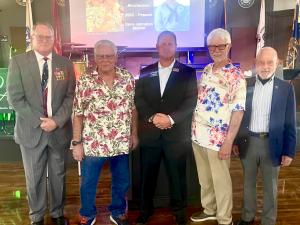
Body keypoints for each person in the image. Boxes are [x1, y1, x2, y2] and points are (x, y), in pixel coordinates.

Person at [6, 23, 75, 225]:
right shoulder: (18, 62)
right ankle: (36, 216)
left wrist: (57, 121)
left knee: (58, 175)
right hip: (31, 130)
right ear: (32, 38)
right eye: (40, 36)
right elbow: (15, 99)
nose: (44, 40)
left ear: (54, 39)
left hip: (58, 130)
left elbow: (71, 97)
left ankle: (57, 213)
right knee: (34, 177)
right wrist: (41, 121)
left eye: (48, 36)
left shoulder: (65, 64)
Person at [134, 31, 197, 225]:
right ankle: (145, 210)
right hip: (150, 134)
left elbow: (190, 101)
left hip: (176, 134)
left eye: (170, 43)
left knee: (177, 177)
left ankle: (179, 211)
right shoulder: (146, 71)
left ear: (176, 46)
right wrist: (153, 117)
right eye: (163, 44)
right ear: (156, 46)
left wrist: (170, 119)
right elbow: (139, 98)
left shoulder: (188, 72)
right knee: (147, 176)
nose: (166, 47)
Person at [72, 40, 138, 225]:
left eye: (109, 55)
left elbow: (132, 109)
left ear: (116, 56)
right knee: (88, 183)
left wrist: (134, 134)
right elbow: (77, 114)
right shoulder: (85, 81)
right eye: (101, 56)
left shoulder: (127, 79)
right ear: (95, 57)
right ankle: (87, 213)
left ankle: (117, 212)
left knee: (121, 181)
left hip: (120, 141)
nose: (105, 59)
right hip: (93, 143)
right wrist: (77, 143)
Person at [234, 47, 296, 225]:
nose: (265, 66)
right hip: (249, 142)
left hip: (273, 144)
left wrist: (289, 151)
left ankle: (268, 220)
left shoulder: (286, 89)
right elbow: (239, 116)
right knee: (248, 184)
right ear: (256, 63)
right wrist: (236, 141)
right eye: (261, 62)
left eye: (270, 62)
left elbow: (290, 122)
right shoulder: (246, 85)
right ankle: (247, 217)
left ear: (277, 64)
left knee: (270, 187)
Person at [190, 28, 246, 225]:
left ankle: (224, 218)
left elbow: (238, 111)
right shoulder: (206, 70)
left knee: (221, 181)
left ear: (228, 46)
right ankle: (210, 209)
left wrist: (228, 142)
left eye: (220, 45)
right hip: (198, 135)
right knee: (205, 179)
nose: (215, 49)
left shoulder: (236, 76)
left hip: (218, 139)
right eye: (212, 46)